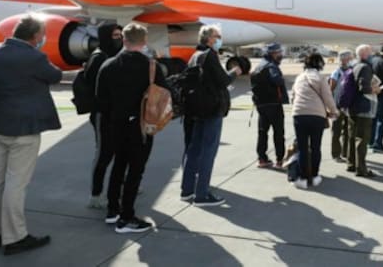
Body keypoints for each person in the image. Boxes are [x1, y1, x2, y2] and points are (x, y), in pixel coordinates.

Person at [0, 16, 61, 255]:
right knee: (17, 184)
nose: (42, 37)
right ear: (34, 36)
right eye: (42, 34)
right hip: (24, 128)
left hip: (1, 124)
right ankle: (15, 237)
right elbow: (55, 76)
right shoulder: (33, 56)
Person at [96, 23, 166, 233]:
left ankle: (112, 210)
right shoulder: (150, 67)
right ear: (144, 42)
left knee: (118, 166)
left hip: (115, 126)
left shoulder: (108, 66)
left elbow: (100, 102)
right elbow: (164, 95)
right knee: (135, 171)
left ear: (123, 40)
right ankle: (126, 217)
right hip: (140, 126)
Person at [180, 25, 241, 206]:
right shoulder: (209, 56)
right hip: (211, 110)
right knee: (208, 151)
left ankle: (187, 190)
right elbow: (223, 80)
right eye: (218, 36)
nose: (220, 39)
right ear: (209, 39)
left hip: (197, 110)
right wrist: (234, 72)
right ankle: (202, 194)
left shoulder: (195, 56)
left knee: (194, 150)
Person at [83, 23, 123, 209]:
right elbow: (92, 86)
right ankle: (96, 194)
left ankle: (119, 186)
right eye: (115, 35)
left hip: (119, 112)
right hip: (103, 114)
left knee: (121, 152)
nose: (119, 38)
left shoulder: (118, 56)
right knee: (104, 154)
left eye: (121, 35)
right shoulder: (98, 58)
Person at [290, 53, 339, 189]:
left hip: (299, 114)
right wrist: (334, 111)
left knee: (302, 147)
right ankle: (315, 176)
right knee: (315, 147)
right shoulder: (320, 78)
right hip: (317, 116)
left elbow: (293, 97)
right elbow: (327, 97)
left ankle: (303, 178)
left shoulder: (299, 78)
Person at [251, 43, 289, 168]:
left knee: (262, 132)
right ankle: (280, 160)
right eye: (279, 52)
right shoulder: (271, 66)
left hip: (261, 105)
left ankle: (262, 158)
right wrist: (281, 80)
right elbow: (276, 79)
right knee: (278, 132)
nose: (280, 55)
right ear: (273, 53)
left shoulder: (259, 66)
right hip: (273, 104)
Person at [347, 44, 379, 178]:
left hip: (353, 106)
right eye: (370, 52)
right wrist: (375, 90)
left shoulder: (354, 66)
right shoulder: (365, 67)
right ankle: (361, 168)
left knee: (352, 136)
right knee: (362, 138)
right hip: (363, 107)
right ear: (365, 54)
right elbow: (364, 88)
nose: (372, 55)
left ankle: (351, 163)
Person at [329, 50, 353, 162]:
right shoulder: (336, 72)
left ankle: (345, 152)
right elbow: (331, 88)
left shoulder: (351, 70)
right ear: (343, 59)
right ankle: (335, 154)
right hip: (337, 105)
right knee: (336, 130)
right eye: (349, 58)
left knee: (348, 131)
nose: (350, 60)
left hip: (347, 105)